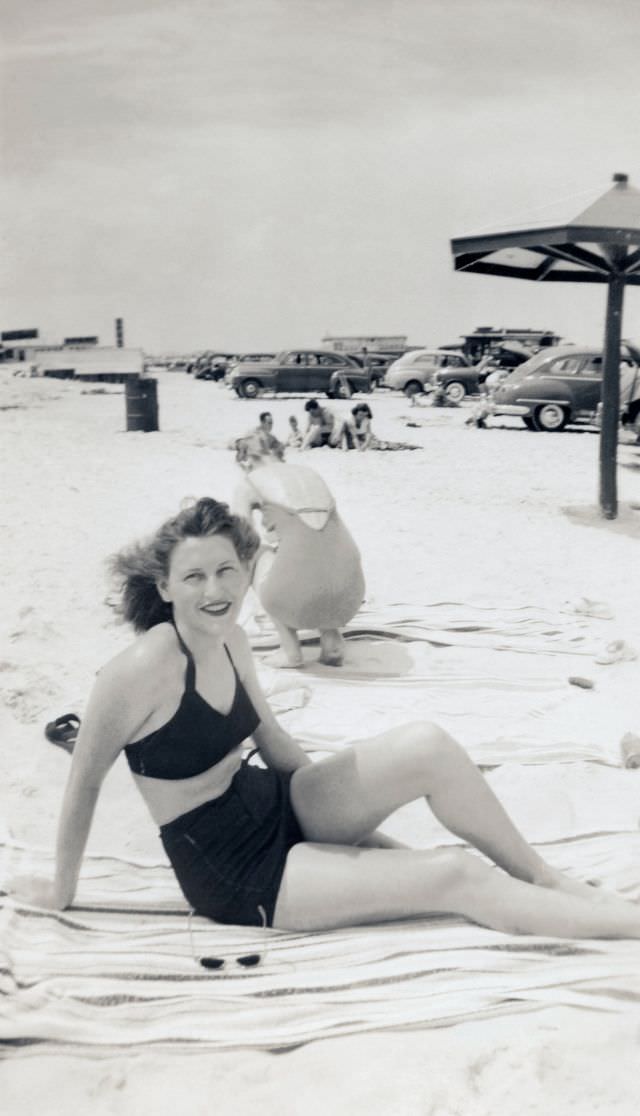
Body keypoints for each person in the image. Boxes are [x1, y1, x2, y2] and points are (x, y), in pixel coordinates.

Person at [10, 497, 640, 941]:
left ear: (248, 571)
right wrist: (62, 889)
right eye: (194, 576)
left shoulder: (228, 637)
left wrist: (344, 821)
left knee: (429, 744)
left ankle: (546, 879)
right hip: (236, 870)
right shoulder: (137, 670)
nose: (214, 589)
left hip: (276, 801)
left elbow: (274, 740)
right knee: (453, 874)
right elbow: (85, 782)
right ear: (167, 588)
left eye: (227, 570)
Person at [233, 463, 364, 667]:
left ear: (246, 463)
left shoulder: (249, 484)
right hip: (350, 595)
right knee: (317, 554)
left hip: (294, 600)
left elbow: (243, 540)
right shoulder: (309, 474)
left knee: (258, 555)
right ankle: (332, 641)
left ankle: (290, 650)